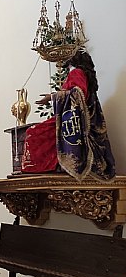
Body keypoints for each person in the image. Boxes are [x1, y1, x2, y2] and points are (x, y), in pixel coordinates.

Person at [21, 49, 115, 181]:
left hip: (72, 121)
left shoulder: (76, 72)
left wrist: (52, 96)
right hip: (73, 118)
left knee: (33, 133)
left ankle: (55, 166)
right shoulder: (82, 73)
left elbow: (78, 93)